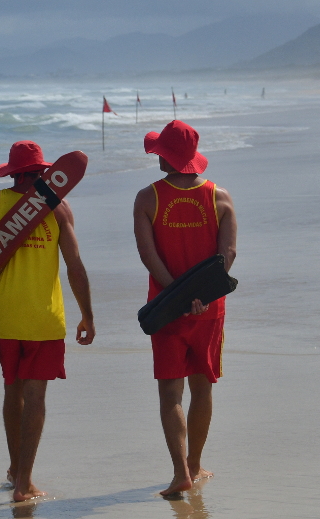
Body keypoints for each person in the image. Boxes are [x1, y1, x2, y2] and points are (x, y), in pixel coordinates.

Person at [0, 140, 95, 502]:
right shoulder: (58, 208)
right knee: (35, 397)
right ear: (44, 172)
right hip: (45, 321)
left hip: (6, 320)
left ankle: (16, 470)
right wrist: (87, 315)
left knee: (12, 391)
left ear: (13, 172)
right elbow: (74, 266)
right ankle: (24, 484)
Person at [132, 120, 237, 496]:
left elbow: (148, 254)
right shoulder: (219, 197)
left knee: (170, 394)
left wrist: (176, 294)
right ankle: (194, 465)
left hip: (167, 310)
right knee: (203, 389)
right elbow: (227, 255)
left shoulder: (148, 198)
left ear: (167, 157)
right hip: (209, 309)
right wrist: (201, 295)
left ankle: (181, 473)